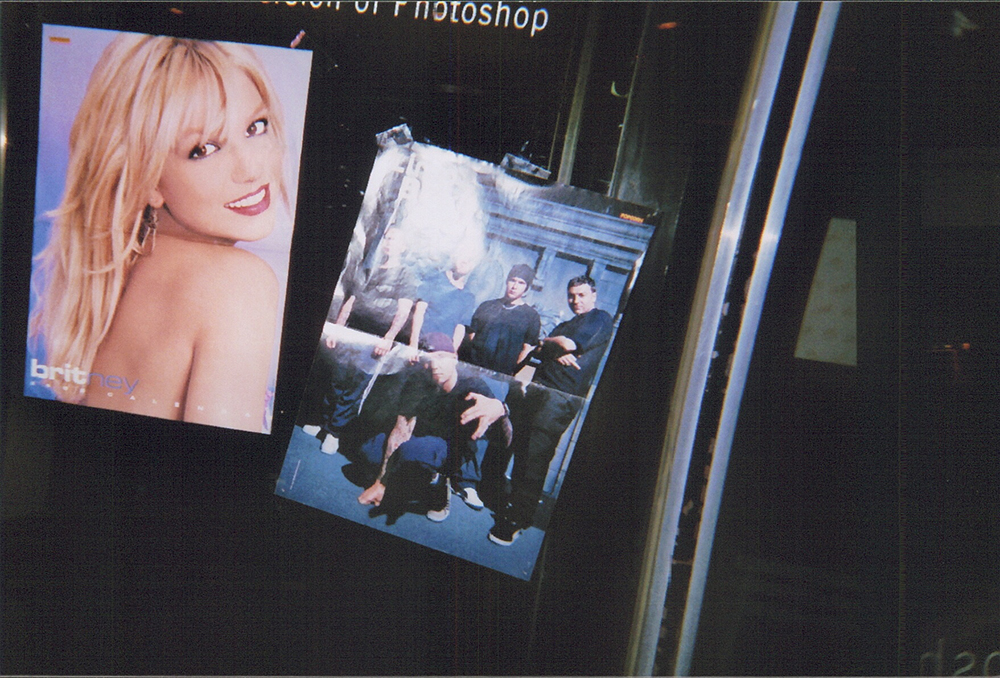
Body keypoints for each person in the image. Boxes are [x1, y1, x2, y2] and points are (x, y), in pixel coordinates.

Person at [29, 33, 289, 432]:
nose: (251, 168)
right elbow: (219, 465)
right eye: (203, 149)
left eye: (256, 126)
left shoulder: (122, 277)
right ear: (147, 179)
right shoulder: (237, 282)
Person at [486, 275, 614, 545]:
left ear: (593, 295)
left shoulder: (600, 318)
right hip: (539, 390)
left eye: (581, 295)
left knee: (536, 454)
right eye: (571, 296)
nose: (575, 301)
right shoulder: (566, 324)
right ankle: (515, 504)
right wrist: (552, 343)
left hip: (561, 396)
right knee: (522, 448)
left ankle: (519, 518)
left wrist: (553, 343)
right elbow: (540, 348)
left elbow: (568, 345)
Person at [353, 333, 508, 522]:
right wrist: (381, 482)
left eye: (442, 357)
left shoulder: (473, 386)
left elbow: (506, 439)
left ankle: (440, 489)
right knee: (371, 451)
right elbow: (401, 429)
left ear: (455, 359)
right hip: (426, 436)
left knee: (414, 451)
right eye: (429, 359)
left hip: (456, 448)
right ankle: (420, 475)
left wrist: (501, 410)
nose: (435, 365)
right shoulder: (418, 381)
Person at [461, 264, 541, 376]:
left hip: (500, 375)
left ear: (526, 288)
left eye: (521, 283)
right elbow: (471, 335)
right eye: (513, 280)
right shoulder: (487, 306)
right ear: (507, 281)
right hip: (473, 369)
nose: (515, 286)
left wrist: (509, 370)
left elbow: (527, 349)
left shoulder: (531, 316)